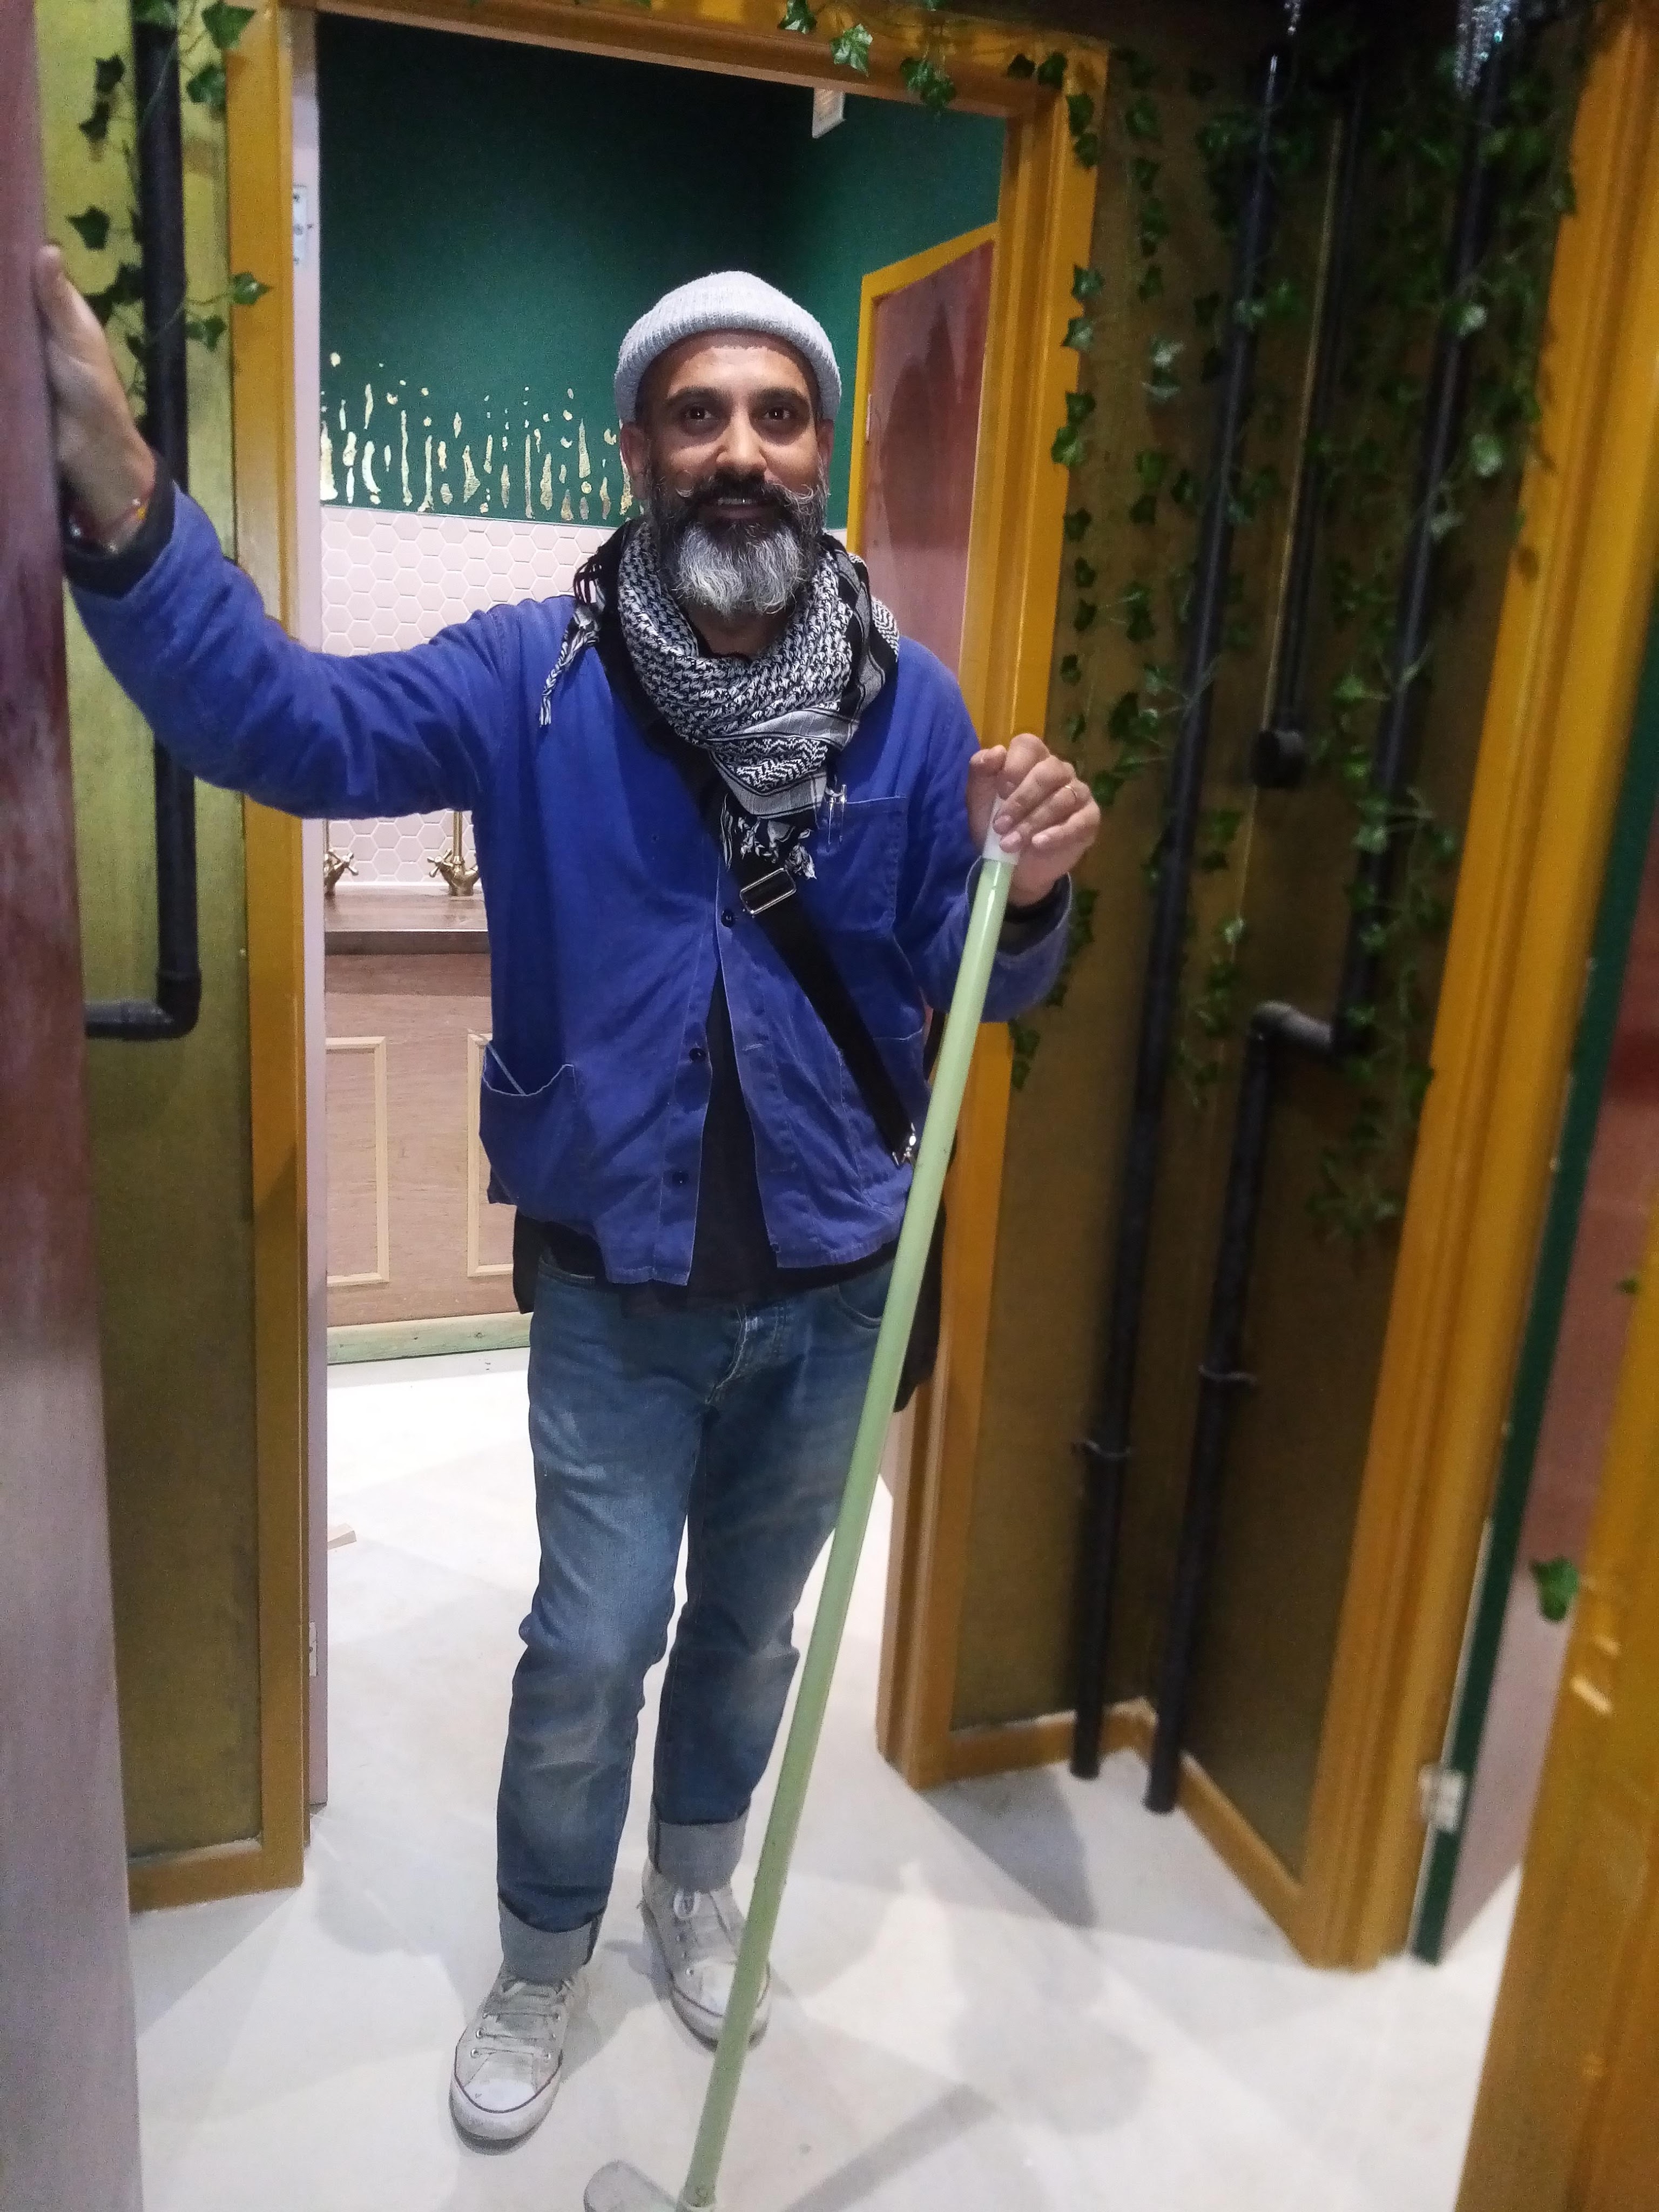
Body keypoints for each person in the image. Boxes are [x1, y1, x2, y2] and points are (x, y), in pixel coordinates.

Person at [35, 253, 1101, 2146]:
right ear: (638, 453)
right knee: (593, 1642)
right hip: (619, 1284)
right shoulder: (528, 673)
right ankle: (544, 1953)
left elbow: (962, 992)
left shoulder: (908, 704)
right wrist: (121, 503)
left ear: (821, 453)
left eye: (778, 415)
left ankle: (693, 1885)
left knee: (753, 1632)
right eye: (698, 415)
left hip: (837, 1290)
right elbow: (286, 725)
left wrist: (1025, 895)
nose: (741, 450)